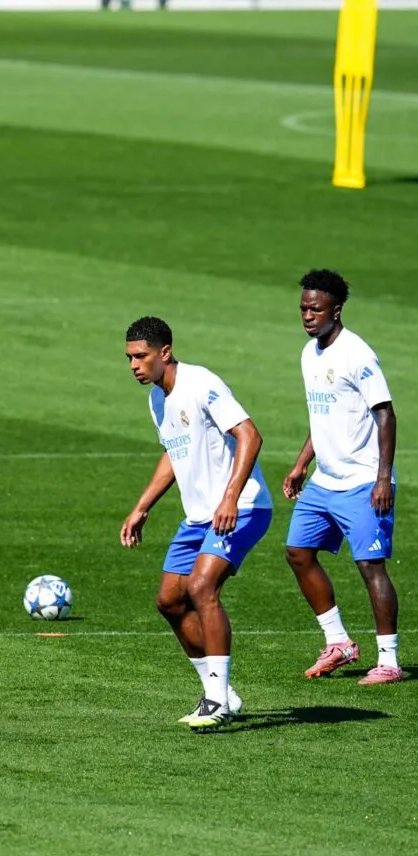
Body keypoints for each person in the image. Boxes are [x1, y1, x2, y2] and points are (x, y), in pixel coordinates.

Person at [120, 316, 272, 730]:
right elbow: (173, 452)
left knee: (203, 587)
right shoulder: (156, 399)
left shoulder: (201, 382)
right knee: (169, 600)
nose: (134, 365)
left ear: (164, 352)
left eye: (141, 356)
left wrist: (230, 498)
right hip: (199, 517)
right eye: (129, 358)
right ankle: (220, 691)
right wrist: (142, 506)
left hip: (242, 508)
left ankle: (217, 700)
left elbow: (250, 435)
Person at [282, 270, 401, 684]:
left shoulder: (357, 355)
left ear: (337, 309)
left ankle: (388, 660)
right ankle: (339, 642)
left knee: (371, 566)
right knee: (298, 552)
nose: (308, 316)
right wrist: (301, 464)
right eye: (303, 308)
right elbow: (322, 417)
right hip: (324, 481)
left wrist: (382, 478)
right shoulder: (308, 354)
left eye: (315, 309)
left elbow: (385, 414)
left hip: (363, 480)